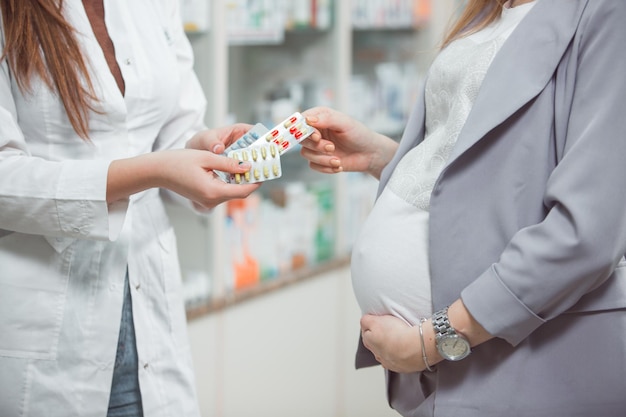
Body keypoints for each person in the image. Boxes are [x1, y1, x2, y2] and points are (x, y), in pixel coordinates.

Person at [300, 0, 626, 416]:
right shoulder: (485, 10)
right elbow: (489, 163)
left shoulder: (607, 13)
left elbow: (587, 234)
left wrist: (432, 341)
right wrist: (384, 156)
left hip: (526, 359)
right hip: (444, 375)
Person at [0, 1, 260, 416]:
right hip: (49, 329)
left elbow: (174, 129)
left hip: (149, 320)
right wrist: (154, 170)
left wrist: (206, 149)